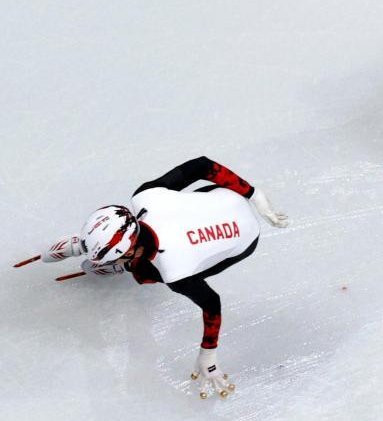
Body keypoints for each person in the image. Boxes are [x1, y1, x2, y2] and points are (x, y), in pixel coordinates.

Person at [37, 156, 289, 398]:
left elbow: (212, 303)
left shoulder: (175, 271)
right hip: (228, 196)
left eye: (113, 258)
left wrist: (208, 355)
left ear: (131, 250)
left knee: (149, 272)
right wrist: (253, 194)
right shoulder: (147, 196)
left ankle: (128, 268)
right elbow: (202, 165)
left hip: (244, 241)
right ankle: (88, 248)